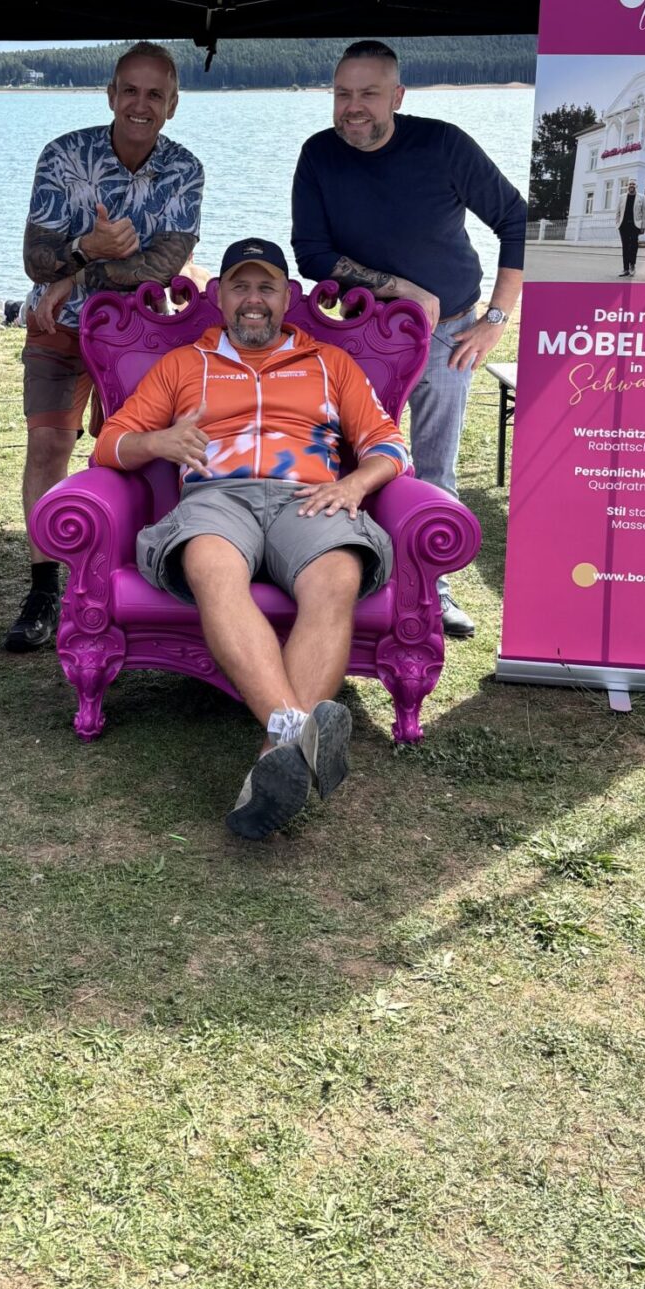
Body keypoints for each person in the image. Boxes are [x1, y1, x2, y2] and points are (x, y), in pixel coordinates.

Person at [92, 238, 411, 840]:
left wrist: (355, 483)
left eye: (267, 287)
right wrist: (157, 442)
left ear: (288, 297)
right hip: (218, 498)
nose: (254, 300)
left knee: (338, 576)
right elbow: (110, 444)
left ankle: (275, 754)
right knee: (211, 568)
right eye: (241, 287)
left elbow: (388, 443)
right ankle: (296, 734)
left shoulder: (329, 363)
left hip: (307, 496)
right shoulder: (184, 364)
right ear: (220, 297)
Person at [291, 41, 525, 640]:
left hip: (449, 335)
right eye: (343, 94)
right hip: (357, 337)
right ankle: (347, 579)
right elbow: (311, 253)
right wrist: (401, 287)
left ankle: (432, 589)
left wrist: (497, 318)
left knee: (434, 467)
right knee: (349, 460)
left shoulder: (443, 145)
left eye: (368, 94)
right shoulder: (318, 154)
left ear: (396, 96)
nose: (353, 107)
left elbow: (517, 220)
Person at [6, 42, 204, 653]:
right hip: (59, 326)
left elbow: (165, 265)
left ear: (172, 104)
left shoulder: (186, 170)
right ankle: (44, 588)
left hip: (143, 334)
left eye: (155, 94)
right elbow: (35, 258)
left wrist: (77, 274)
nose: (140, 104)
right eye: (130, 91)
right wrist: (86, 249)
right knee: (48, 447)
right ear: (111, 94)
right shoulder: (64, 156)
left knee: (140, 453)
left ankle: (132, 575)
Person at [616, 178, 645, 277]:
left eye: (633, 184)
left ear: (636, 186)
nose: (631, 186)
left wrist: (643, 226)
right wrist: (618, 224)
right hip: (623, 225)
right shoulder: (621, 197)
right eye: (630, 184)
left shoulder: (642, 197)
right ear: (627, 186)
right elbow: (618, 212)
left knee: (633, 247)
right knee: (625, 247)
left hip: (635, 225)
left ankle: (632, 266)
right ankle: (625, 269)